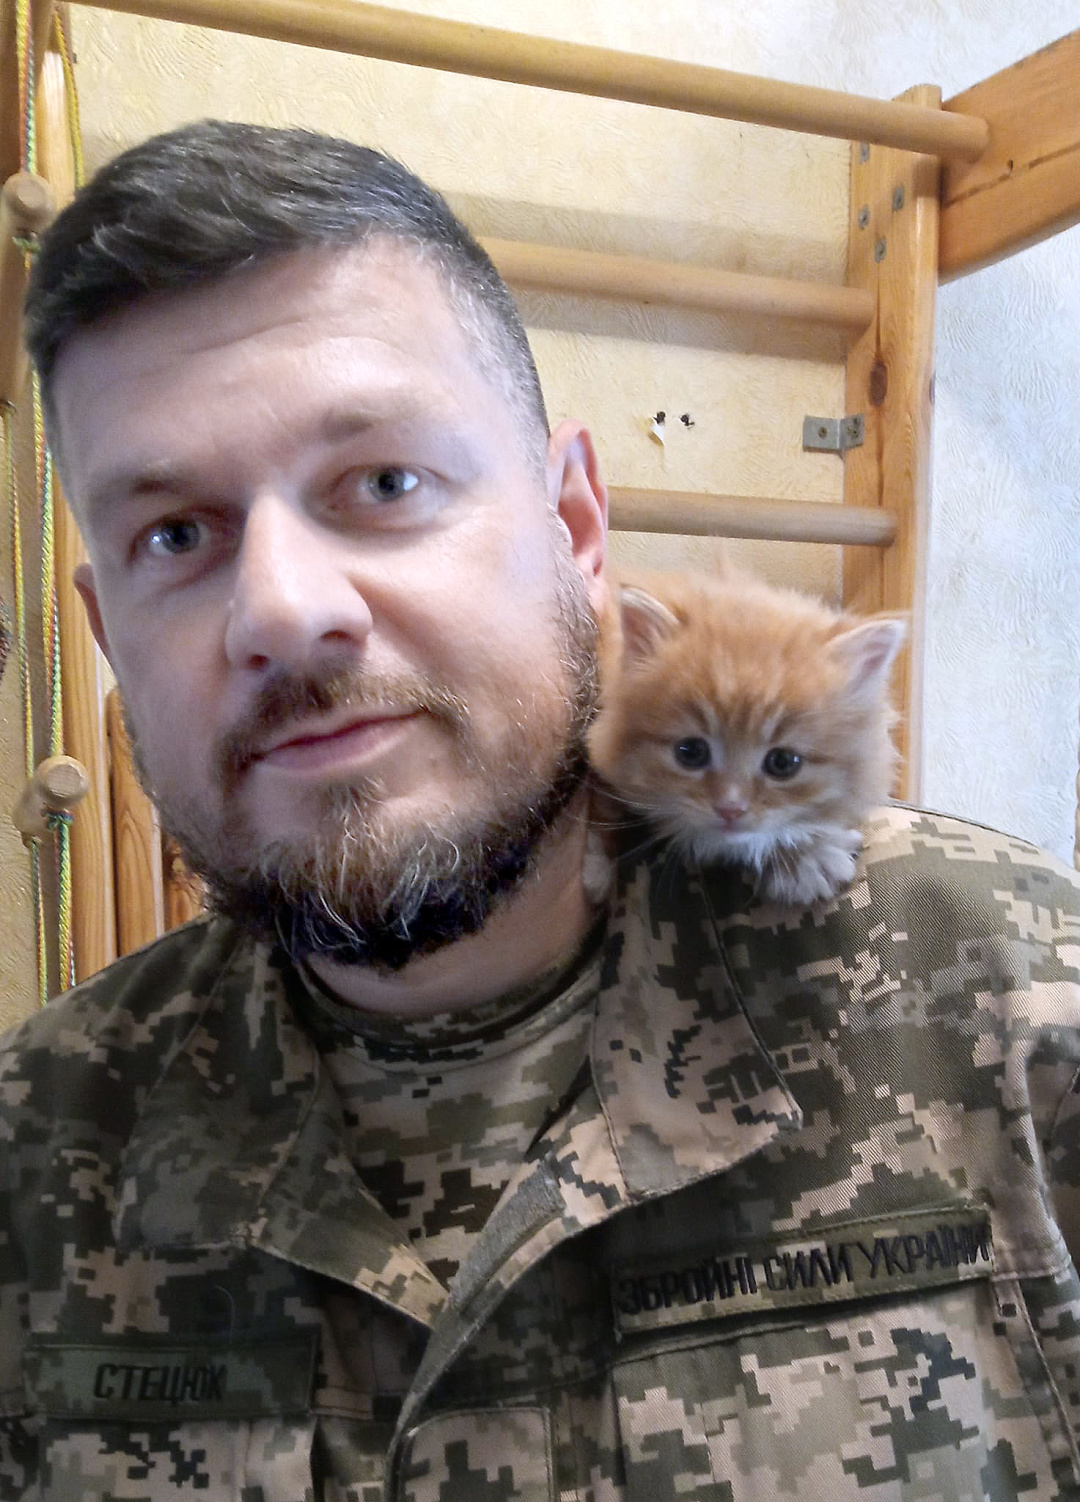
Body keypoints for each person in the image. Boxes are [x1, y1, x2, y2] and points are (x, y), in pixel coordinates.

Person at [2, 120, 1080, 1502]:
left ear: (576, 529)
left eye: (383, 484)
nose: (282, 609)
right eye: (174, 535)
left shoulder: (1018, 998)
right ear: (106, 634)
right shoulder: (32, 1159)